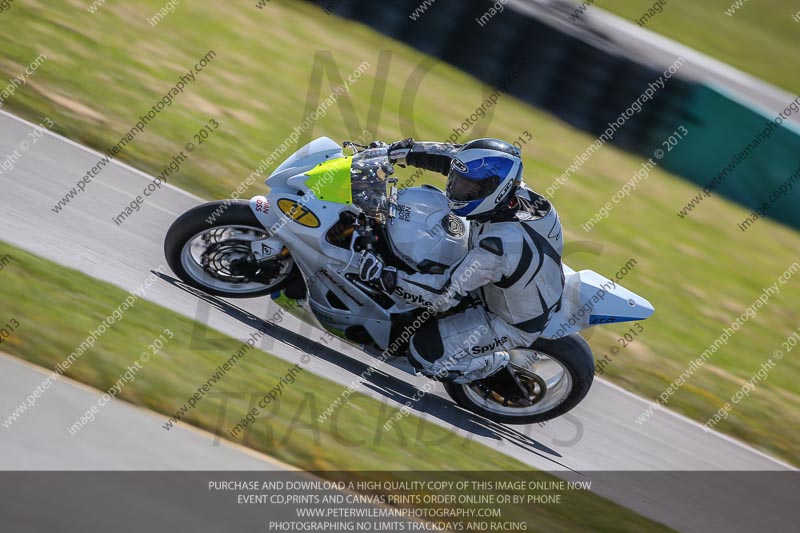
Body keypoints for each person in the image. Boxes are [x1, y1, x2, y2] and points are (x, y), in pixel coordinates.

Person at [358, 138, 565, 385]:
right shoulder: (509, 192)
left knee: (426, 354)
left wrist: (386, 277)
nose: (455, 189)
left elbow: (443, 295)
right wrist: (393, 153)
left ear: (492, 189)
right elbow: (450, 156)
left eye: (466, 187)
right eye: (455, 180)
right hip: (507, 278)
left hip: (505, 318)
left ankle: (495, 365)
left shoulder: (500, 246)